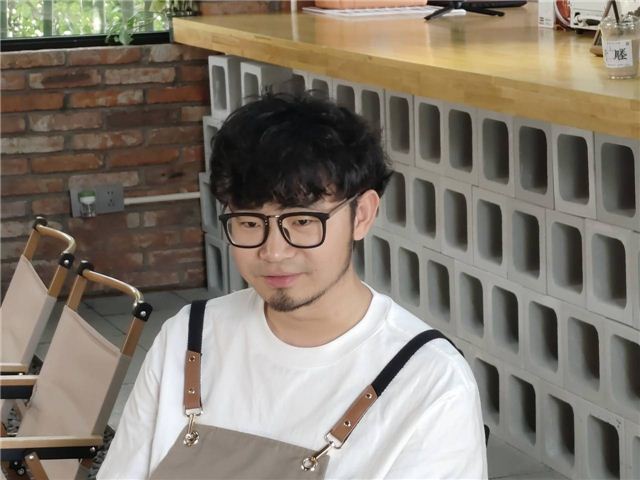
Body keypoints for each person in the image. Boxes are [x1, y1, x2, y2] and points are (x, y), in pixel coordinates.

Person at [98, 91, 488, 479]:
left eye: (301, 221)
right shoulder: (189, 336)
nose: (273, 252)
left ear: (362, 215)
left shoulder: (429, 381)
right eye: (249, 222)